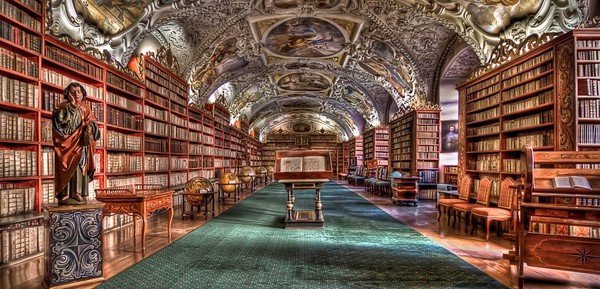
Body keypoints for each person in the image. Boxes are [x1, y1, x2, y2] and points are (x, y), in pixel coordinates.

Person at [52, 82, 101, 205]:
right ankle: (64, 193)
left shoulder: (85, 107)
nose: (76, 94)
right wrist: (72, 105)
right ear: (68, 93)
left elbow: (93, 122)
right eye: (73, 92)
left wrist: (89, 127)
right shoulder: (62, 106)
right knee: (65, 166)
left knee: (79, 167)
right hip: (66, 143)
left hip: (80, 143)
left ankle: (77, 192)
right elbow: (58, 122)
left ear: (83, 93)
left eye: (79, 91)